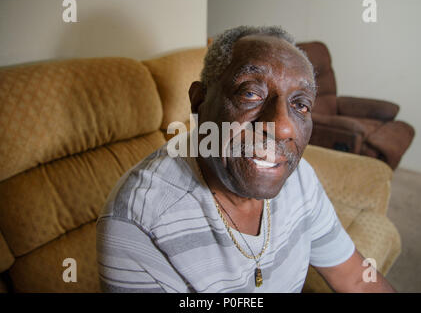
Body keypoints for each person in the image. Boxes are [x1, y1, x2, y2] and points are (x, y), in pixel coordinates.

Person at [96, 25, 396, 293]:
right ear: (199, 102)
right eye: (251, 94)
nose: (283, 127)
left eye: (300, 104)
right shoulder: (137, 223)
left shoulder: (300, 177)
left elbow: (356, 279)